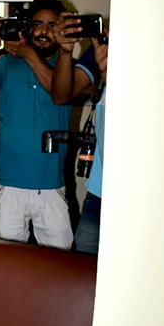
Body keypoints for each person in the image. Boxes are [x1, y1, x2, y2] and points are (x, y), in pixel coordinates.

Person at [0, 0, 75, 249]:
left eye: (50, 25)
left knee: (58, 257)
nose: (43, 31)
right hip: (9, 178)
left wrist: (28, 54)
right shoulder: (5, 62)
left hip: (50, 181)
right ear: (27, 27)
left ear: (60, 31)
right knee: (10, 255)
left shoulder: (67, 68)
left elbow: (59, 92)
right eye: (37, 24)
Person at [52, 16, 107, 253]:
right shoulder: (105, 48)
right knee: (84, 256)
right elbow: (62, 95)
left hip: (143, 189)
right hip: (99, 187)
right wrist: (66, 51)